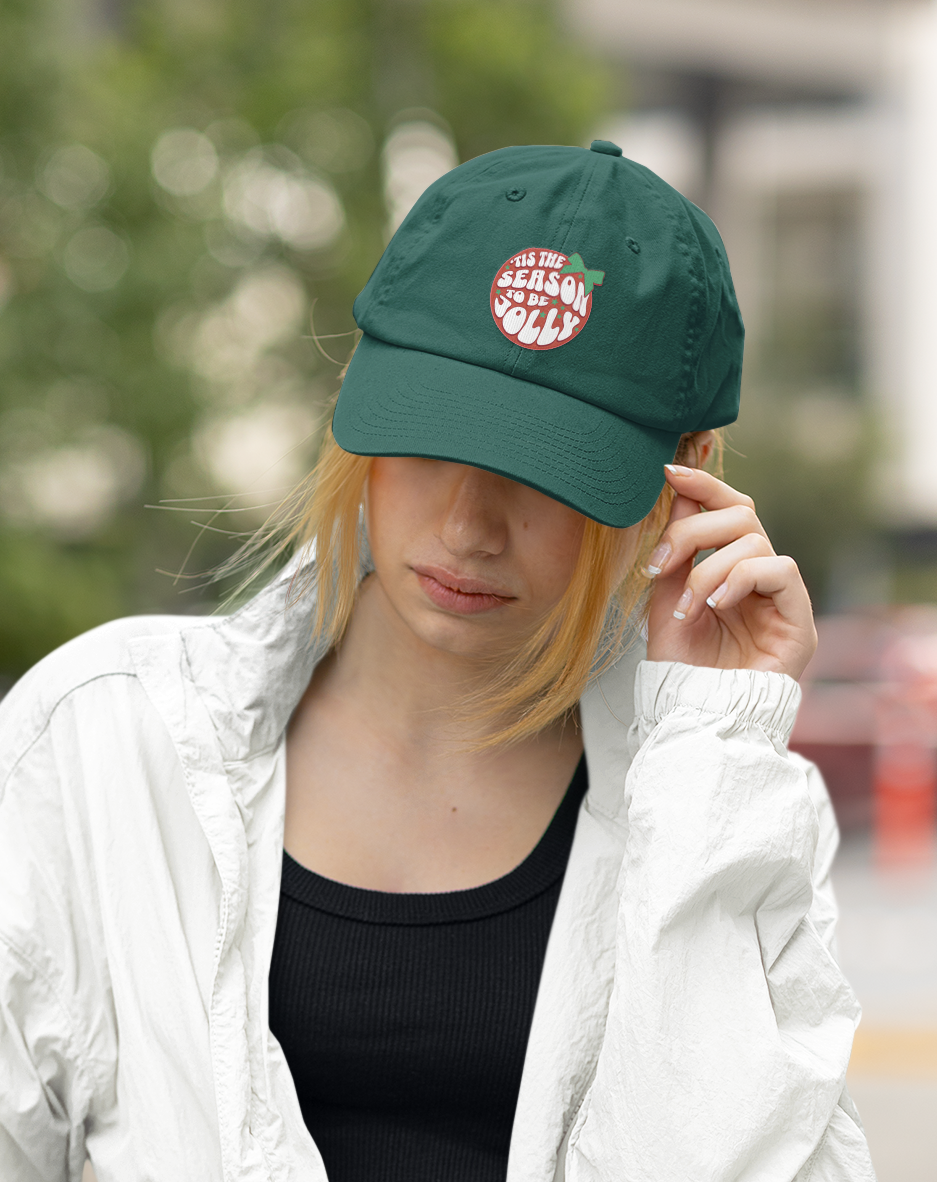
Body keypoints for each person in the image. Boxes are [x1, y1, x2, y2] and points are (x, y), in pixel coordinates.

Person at [0, 140, 875, 1182]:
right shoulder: (103, 739)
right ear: (356, 400)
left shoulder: (707, 796)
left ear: (678, 483)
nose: (468, 526)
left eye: (544, 473)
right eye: (430, 439)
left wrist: (712, 752)